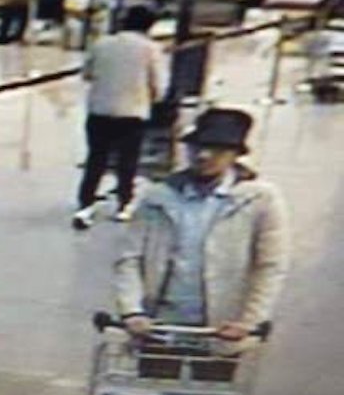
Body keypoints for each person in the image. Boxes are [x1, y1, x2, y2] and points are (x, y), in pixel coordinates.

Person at [114, 108, 289, 353]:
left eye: (218, 149)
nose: (204, 155)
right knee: (152, 386)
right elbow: (129, 258)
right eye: (197, 147)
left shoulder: (259, 199)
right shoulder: (157, 198)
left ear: (235, 155)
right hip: (159, 327)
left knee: (210, 389)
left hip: (222, 330)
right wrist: (131, 310)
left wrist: (249, 320)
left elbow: (270, 265)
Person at [72, 5, 167, 229]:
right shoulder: (151, 49)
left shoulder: (102, 43)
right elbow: (159, 87)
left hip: (99, 110)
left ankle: (85, 203)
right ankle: (124, 204)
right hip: (132, 113)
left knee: (96, 159)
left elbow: (87, 74)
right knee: (128, 161)